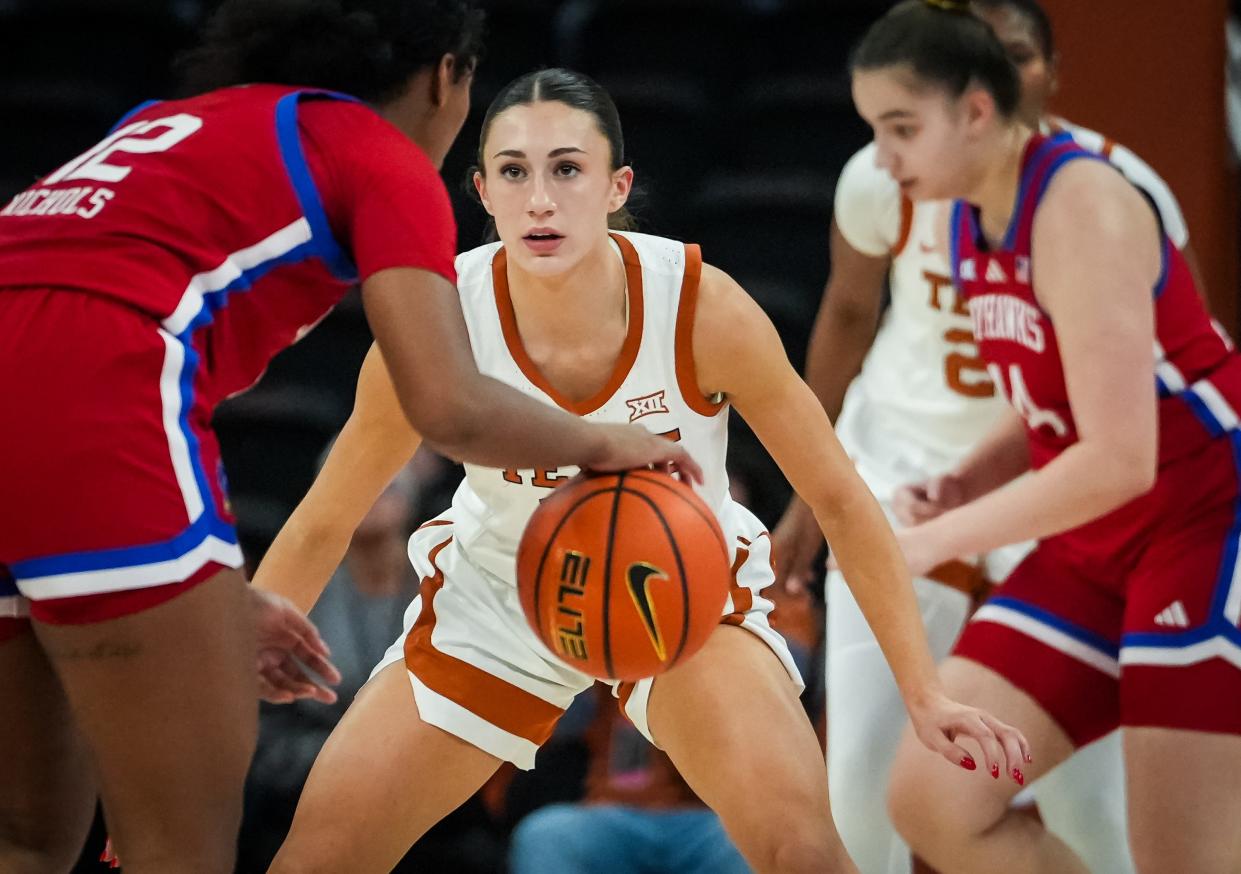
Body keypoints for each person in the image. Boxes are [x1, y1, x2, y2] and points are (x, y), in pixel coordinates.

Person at [253, 68, 1029, 874]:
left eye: (566, 168)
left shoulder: (701, 307)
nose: (540, 199)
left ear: (615, 184)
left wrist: (923, 691)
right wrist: (230, 697)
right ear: (481, 190)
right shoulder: (441, 318)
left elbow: (839, 498)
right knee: (320, 858)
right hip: (501, 594)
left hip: (683, 595)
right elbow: (324, 517)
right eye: (513, 171)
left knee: (803, 850)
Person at [0, 2, 700, 872]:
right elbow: (449, 408)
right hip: (91, 398)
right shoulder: (375, 152)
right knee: (176, 850)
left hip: (35, 414)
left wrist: (203, 610)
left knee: (25, 837)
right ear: (448, 74)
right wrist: (604, 442)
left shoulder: (160, 124)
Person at [772, 1, 1192, 870]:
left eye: (1014, 58)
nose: (999, 77)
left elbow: (1130, 419)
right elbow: (851, 313)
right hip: (913, 469)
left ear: (1040, 75)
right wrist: (824, 491)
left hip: (1099, 496)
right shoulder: (917, 188)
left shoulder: (1108, 193)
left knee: (1100, 806)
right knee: (873, 787)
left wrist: (945, 525)